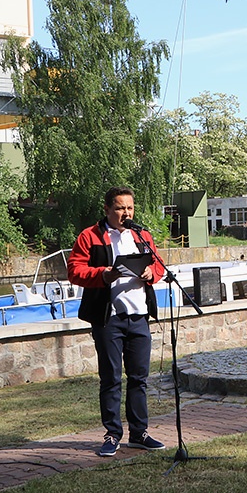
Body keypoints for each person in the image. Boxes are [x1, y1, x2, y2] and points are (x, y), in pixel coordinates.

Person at [67, 186, 167, 456]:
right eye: (120, 208)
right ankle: (112, 435)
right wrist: (103, 275)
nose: (126, 213)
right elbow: (74, 271)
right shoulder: (90, 236)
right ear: (107, 209)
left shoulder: (141, 234)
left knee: (139, 378)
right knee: (111, 378)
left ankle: (139, 433)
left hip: (138, 316)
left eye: (130, 208)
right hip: (108, 318)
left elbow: (159, 265)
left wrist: (151, 272)